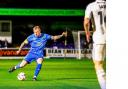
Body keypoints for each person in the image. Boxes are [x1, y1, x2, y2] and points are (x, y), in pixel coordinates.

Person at [84, 0, 106, 89]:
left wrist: (87, 33)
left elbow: (86, 22)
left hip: (100, 37)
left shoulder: (91, 6)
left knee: (98, 64)